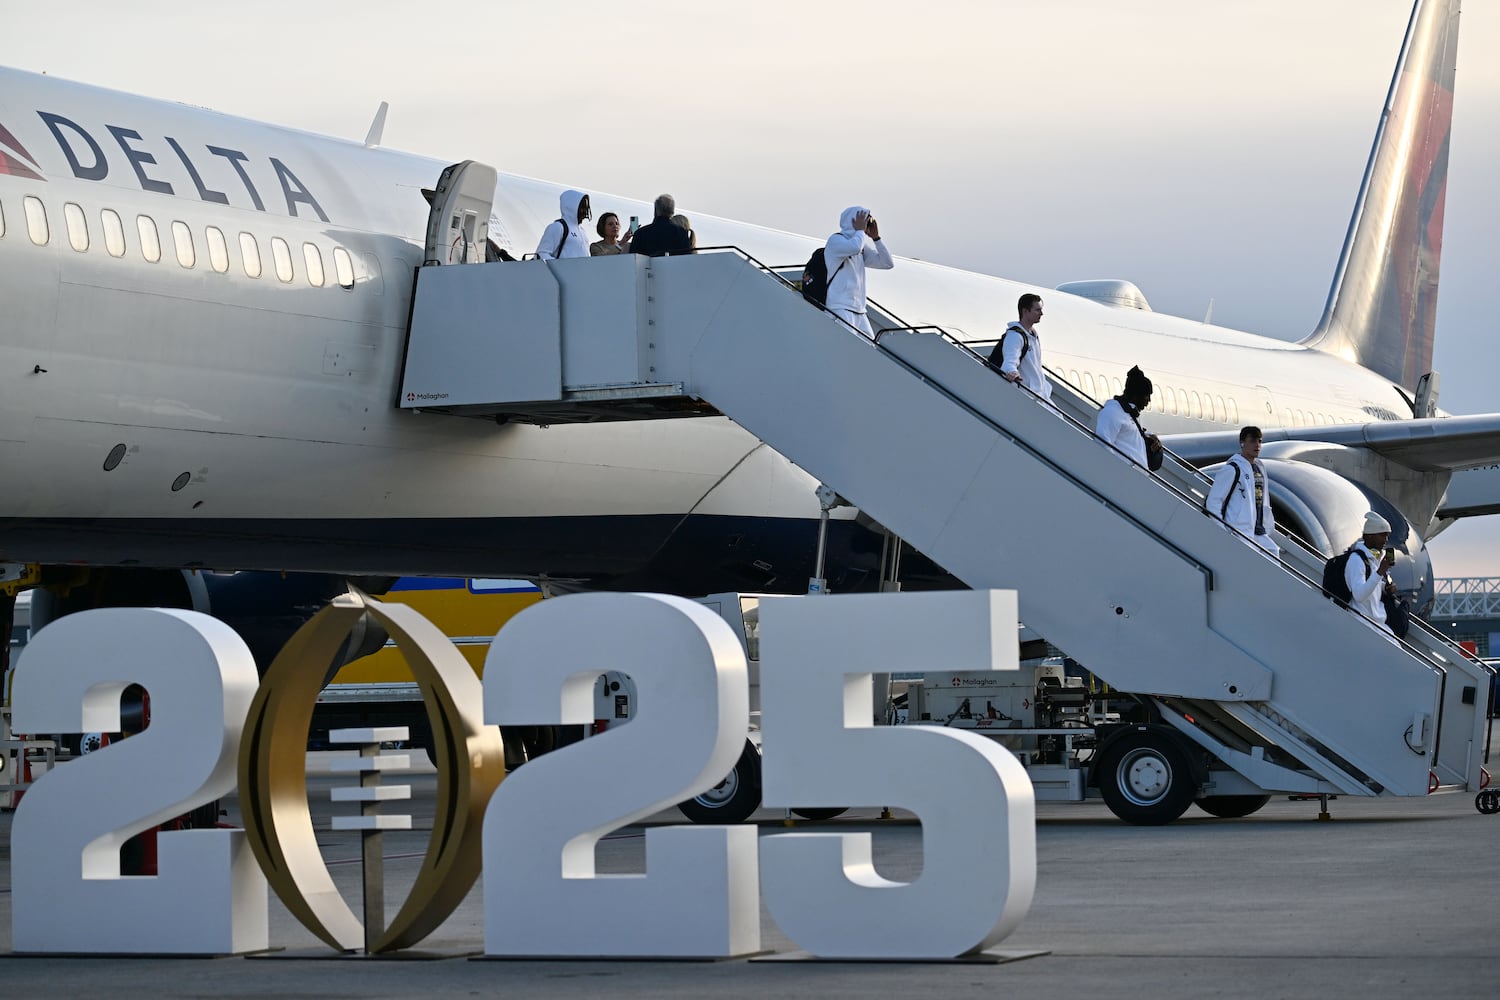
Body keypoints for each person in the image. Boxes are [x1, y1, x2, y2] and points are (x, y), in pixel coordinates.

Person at [1205, 426, 1280, 556]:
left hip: (1258, 530)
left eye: (1259, 441)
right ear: (1242, 443)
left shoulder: (1259, 468)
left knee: (1273, 554)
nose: (1257, 445)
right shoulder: (1232, 469)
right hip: (1239, 530)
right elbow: (1214, 501)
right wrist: (1223, 529)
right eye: (1252, 441)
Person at [823, 206, 894, 339]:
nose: (867, 224)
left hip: (859, 310)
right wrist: (860, 231)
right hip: (840, 307)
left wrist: (876, 238)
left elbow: (887, 263)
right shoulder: (835, 240)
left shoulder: (860, 245)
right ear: (853, 220)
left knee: (870, 349)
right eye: (865, 220)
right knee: (847, 348)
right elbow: (854, 247)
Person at [1094, 366, 1164, 469]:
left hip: (1134, 479)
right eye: (1147, 396)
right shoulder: (1113, 412)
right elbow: (1103, 444)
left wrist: (1149, 438)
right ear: (1136, 395)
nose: (1149, 400)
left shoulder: (1129, 413)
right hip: (1123, 478)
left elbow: (1128, 435)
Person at [987, 293, 1050, 401]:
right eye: (1037, 310)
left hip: (1039, 393)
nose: (1041, 313)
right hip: (1028, 393)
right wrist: (1011, 371)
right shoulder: (1015, 336)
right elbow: (1010, 360)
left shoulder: (1032, 335)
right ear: (1025, 311)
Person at [1343, 512, 1399, 633]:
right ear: (1369, 536)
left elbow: (1369, 584)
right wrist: (1380, 572)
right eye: (1382, 535)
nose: (1386, 540)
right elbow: (1359, 595)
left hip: (1376, 621)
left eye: (1387, 536)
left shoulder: (1373, 558)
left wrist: (1385, 588)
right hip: (1363, 620)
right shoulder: (1356, 560)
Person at [535, 190, 592, 260]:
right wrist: (560, 267)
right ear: (571, 206)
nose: (584, 211)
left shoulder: (582, 231)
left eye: (586, 208)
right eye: (582, 207)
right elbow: (541, 254)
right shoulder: (558, 227)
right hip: (564, 270)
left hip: (581, 270)